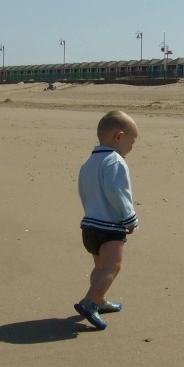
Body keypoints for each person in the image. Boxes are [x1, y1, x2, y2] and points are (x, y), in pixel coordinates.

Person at [74, 110, 139, 330]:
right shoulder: (115, 161)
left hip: (90, 225)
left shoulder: (89, 162)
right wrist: (129, 218)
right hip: (110, 226)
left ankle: (100, 299)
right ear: (119, 137)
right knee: (112, 267)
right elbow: (117, 192)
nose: (132, 147)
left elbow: (85, 191)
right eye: (132, 141)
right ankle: (90, 302)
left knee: (100, 267)